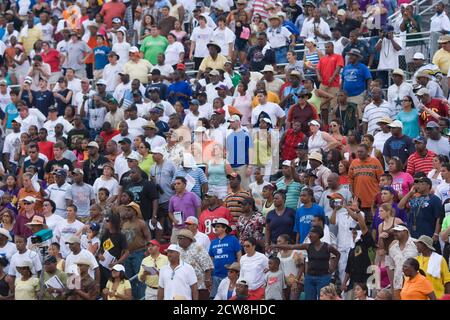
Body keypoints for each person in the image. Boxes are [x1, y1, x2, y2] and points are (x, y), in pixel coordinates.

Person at [272, 226, 340, 300]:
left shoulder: (327, 247)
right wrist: (275, 245)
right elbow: (292, 246)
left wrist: (332, 267)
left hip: (323, 277)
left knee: (323, 298)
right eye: (309, 233)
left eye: (311, 233)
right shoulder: (307, 246)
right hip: (310, 278)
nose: (309, 235)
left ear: (318, 235)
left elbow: (338, 254)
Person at [399, 176, 443, 246]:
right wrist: (410, 193)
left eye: (420, 183)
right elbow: (400, 206)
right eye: (417, 184)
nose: (417, 186)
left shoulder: (435, 199)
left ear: (428, 186)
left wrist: (436, 233)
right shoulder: (414, 198)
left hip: (428, 234)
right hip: (413, 234)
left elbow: (439, 217)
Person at [348, 144, 384, 220]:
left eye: (361, 151)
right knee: (360, 226)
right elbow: (350, 180)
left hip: (373, 202)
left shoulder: (375, 161)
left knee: (373, 225)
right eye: (358, 152)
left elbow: (382, 179)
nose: (359, 153)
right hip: (358, 203)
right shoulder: (354, 163)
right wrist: (351, 193)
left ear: (367, 152)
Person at [209, 218, 242, 298]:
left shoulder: (233, 239)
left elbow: (239, 254)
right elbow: (210, 259)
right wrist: (210, 274)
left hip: (230, 275)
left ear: (225, 228)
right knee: (214, 297)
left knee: (230, 296)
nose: (215, 228)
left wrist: (239, 269)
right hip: (215, 275)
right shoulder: (213, 242)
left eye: (218, 226)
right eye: (215, 227)